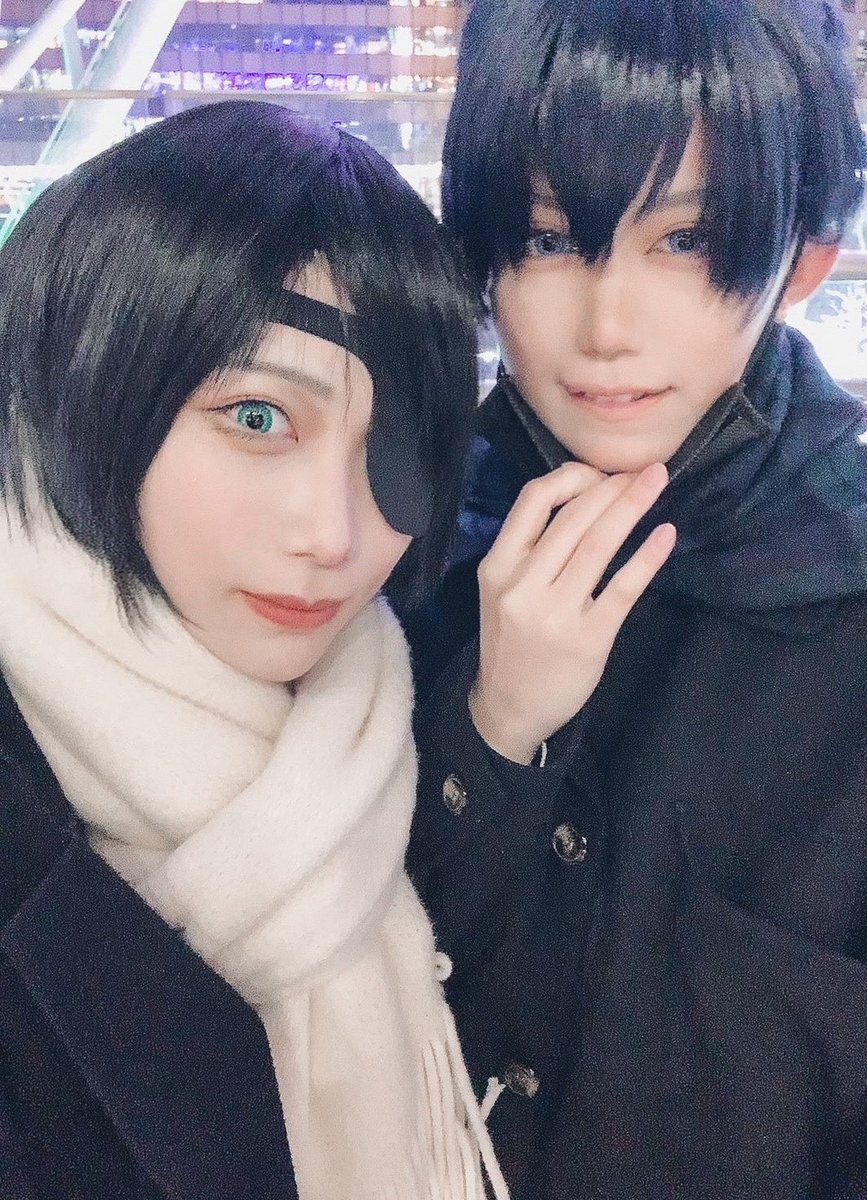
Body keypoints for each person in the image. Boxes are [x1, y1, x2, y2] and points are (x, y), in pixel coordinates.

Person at [400, 1, 867, 1197]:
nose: (607, 328)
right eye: (547, 239)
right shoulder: (373, 554)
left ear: (804, 263)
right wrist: (490, 735)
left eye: (685, 240)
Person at [0, 99, 508, 1200]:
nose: (332, 535)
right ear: (87, 381)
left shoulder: (391, 712)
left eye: (392, 448)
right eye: (260, 418)